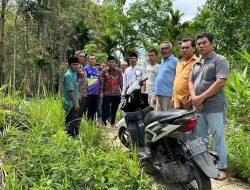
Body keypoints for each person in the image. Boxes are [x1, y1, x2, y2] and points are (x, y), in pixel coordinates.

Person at [189, 32, 230, 180]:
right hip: (198, 107)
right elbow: (191, 82)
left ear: (212, 44)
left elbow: (220, 82)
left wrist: (201, 97)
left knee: (217, 136)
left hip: (214, 106)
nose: (201, 45)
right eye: (198, 43)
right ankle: (204, 165)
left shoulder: (220, 60)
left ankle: (221, 166)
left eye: (204, 43)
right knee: (200, 137)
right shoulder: (197, 62)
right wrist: (194, 97)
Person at [173, 38, 197, 110]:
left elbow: (199, 81)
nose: (184, 50)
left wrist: (193, 96)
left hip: (189, 102)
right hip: (177, 102)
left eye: (187, 47)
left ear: (193, 49)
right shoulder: (179, 63)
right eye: (182, 48)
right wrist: (173, 96)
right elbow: (176, 80)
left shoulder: (197, 62)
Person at [155, 42, 179, 111]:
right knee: (158, 118)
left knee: (167, 118)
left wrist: (175, 95)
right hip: (158, 94)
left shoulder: (175, 61)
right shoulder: (162, 61)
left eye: (166, 48)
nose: (164, 50)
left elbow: (178, 77)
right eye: (162, 49)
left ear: (170, 50)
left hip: (168, 95)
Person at [100, 56, 123, 127]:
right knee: (105, 108)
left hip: (117, 94)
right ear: (107, 62)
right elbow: (102, 82)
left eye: (112, 62)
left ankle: (112, 122)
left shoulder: (119, 71)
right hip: (107, 93)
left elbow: (121, 82)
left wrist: (122, 92)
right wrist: (101, 92)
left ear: (115, 63)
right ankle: (103, 122)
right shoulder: (104, 71)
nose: (111, 63)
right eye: (109, 62)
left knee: (114, 109)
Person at [62, 57, 80, 137]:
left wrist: (78, 96)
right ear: (69, 65)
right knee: (73, 123)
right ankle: (73, 139)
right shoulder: (69, 75)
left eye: (77, 64)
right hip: (70, 104)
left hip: (73, 102)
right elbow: (70, 91)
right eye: (73, 64)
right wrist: (75, 102)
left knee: (70, 122)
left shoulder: (73, 74)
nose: (75, 66)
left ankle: (69, 138)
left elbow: (74, 88)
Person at [84, 55, 100, 121]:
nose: (92, 60)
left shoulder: (96, 69)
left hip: (96, 93)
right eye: (91, 59)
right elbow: (84, 81)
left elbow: (97, 80)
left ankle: (92, 122)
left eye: (94, 59)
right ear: (88, 60)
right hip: (89, 93)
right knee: (88, 108)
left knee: (94, 108)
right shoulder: (85, 69)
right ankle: (87, 122)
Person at [75, 51, 88, 119]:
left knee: (80, 114)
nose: (82, 58)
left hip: (84, 94)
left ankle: (77, 129)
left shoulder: (82, 67)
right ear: (76, 57)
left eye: (83, 56)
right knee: (76, 113)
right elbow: (74, 81)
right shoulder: (75, 67)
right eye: (81, 56)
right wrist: (77, 93)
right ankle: (74, 129)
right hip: (79, 94)